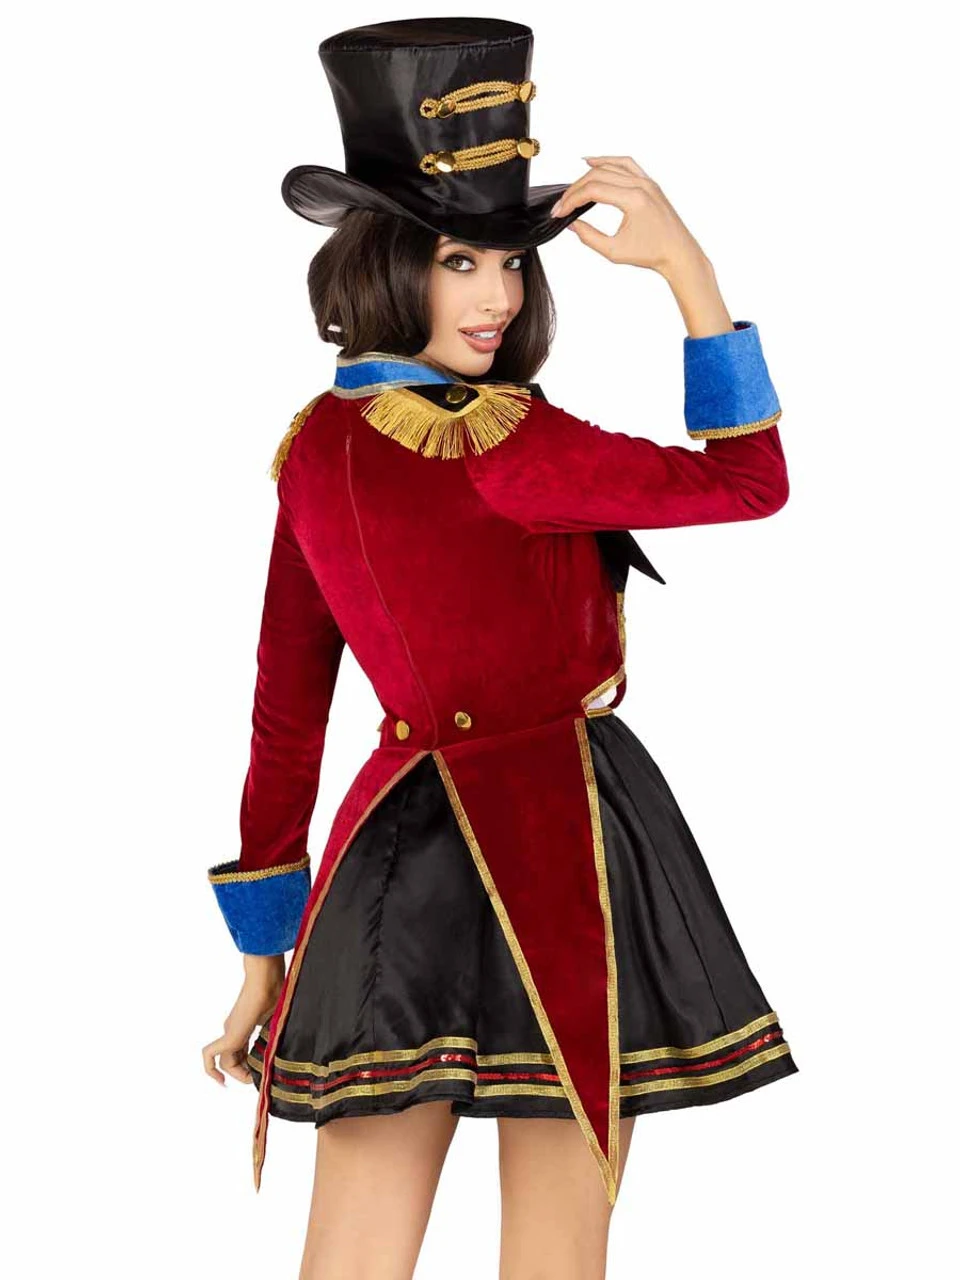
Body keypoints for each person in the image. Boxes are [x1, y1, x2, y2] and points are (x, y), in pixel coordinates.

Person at [201, 18, 798, 1280]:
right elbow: (753, 481)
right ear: (384, 263)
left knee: (350, 1257)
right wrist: (689, 270)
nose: (500, 297)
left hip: (388, 855)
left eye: (513, 261)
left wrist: (264, 953)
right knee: (556, 1253)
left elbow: (284, 712)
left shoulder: (314, 444)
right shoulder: (503, 440)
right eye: (460, 260)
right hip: (561, 833)